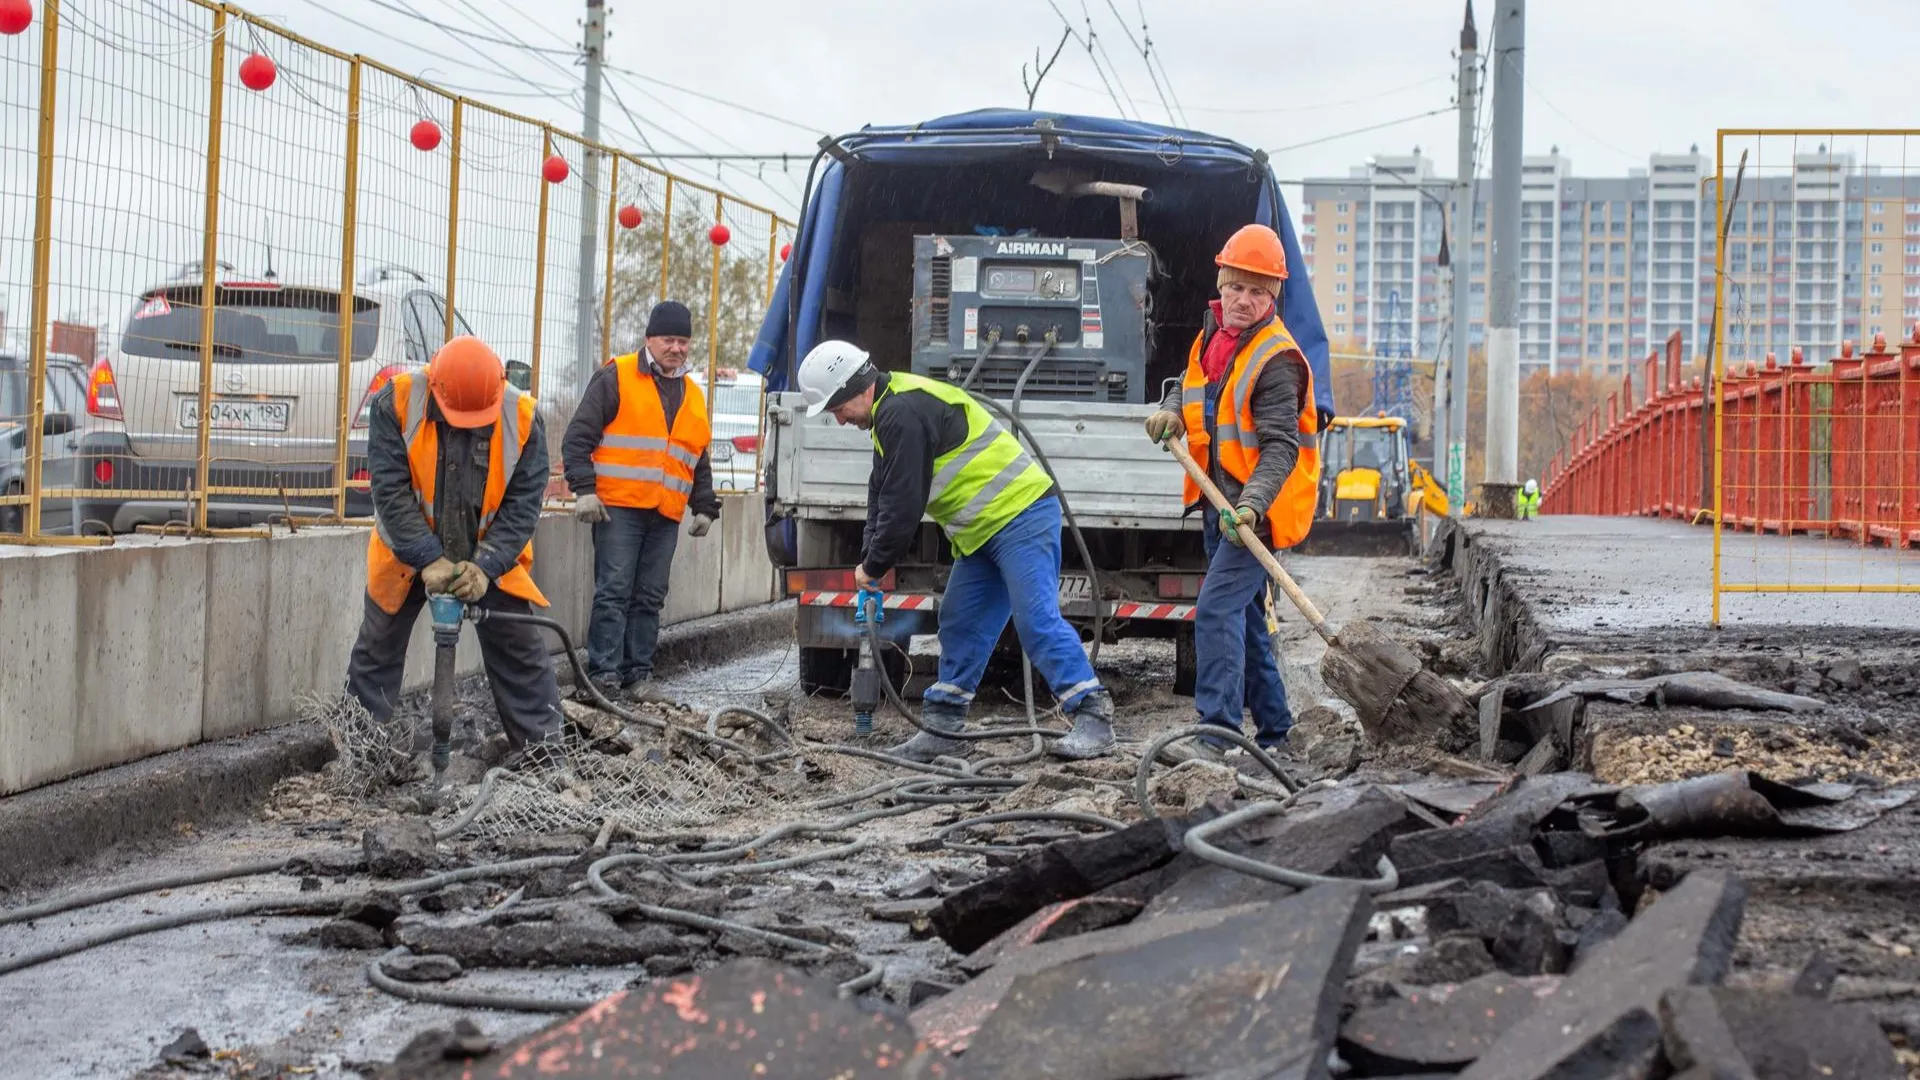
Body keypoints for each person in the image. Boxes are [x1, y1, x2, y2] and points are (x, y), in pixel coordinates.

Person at [796, 340, 1115, 762]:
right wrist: (866, 563)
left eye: (836, 409)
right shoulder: (888, 415)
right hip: (983, 533)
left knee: (1035, 620)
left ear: (853, 388)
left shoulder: (902, 413)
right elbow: (881, 495)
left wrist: (874, 565)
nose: (838, 420)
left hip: (1021, 516)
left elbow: (904, 506)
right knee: (961, 620)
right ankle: (944, 726)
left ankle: (1093, 716)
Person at [1143, 224, 1321, 759]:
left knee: (1216, 611)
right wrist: (1171, 411)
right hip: (1215, 506)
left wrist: (1251, 506)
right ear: (1221, 284)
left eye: (1258, 291)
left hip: (1253, 515)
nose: (1244, 300)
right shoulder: (1214, 336)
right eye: (1236, 287)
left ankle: (1215, 734)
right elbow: (1187, 381)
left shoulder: (1277, 360)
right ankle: (1277, 734)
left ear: (1273, 297)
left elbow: (1281, 448)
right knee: (1243, 622)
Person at [346, 335, 565, 758]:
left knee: (518, 646)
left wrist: (485, 567)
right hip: (408, 551)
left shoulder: (522, 418)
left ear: (499, 386)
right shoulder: (397, 402)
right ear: (435, 387)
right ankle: (359, 753)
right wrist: (427, 558)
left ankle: (544, 754)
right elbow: (390, 492)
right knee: (378, 644)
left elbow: (522, 509)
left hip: (487, 554)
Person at [562, 300, 720, 704]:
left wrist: (704, 505)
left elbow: (696, 456)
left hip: (664, 513)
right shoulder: (616, 378)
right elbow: (578, 438)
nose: (677, 348)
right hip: (618, 510)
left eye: (683, 341)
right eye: (669, 339)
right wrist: (584, 491)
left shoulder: (692, 394)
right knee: (614, 591)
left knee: (649, 596)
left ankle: (638, 676)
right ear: (650, 339)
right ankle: (604, 677)